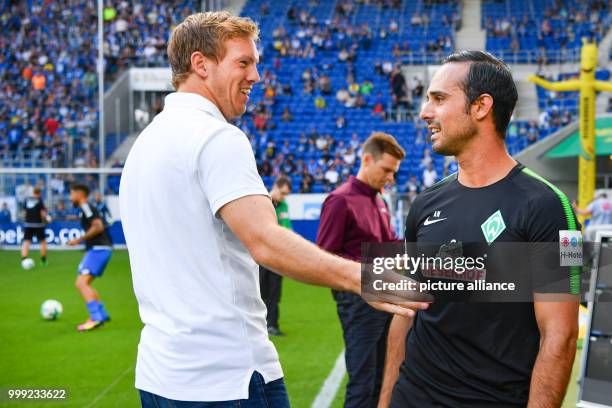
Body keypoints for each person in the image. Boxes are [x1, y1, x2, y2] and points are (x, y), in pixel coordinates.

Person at [119, 12, 425, 408]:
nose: (256, 76)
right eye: (243, 62)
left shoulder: (144, 145)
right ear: (201, 64)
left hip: (161, 377)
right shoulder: (215, 137)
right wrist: (365, 277)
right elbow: (265, 241)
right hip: (227, 377)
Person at [379, 51, 580, 408]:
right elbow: (404, 313)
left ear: (481, 106)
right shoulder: (424, 204)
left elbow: (560, 337)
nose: (425, 113)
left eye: (439, 99)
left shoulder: (553, 208)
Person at [317, 132, 405, 408]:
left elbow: (389, 244)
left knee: (384, 377)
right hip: (357, 299)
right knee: (363, 382)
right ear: (367, 159)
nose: (390, 177)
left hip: (385, 293)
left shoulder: (380, 201)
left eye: (394, 172)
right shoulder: (339, 200)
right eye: (386, 170)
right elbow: (324, 257)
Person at [67, 184, 113, 332]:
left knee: (81, 283)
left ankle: (95, 317)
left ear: (79, 194)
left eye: (72, 194)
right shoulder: (85, 208)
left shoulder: (86, 207)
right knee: (84, 283)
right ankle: (102, 314)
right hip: (99, 249)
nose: (70, 197)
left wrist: (79, 240)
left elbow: (98, 226)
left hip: (98, 250)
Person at [259, 176, 292, 336]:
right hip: (261, 256)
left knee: (274, 292)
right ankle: (259, 325)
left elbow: (287, 229)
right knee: (259, 292)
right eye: (282, 193)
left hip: (278, 257)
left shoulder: (283, 205)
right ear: (276, 186)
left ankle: (272, 325)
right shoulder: (261, 202)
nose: (283, 197)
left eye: (286, 194)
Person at [21, 187, 49, 266]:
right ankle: (43, 260)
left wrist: (26, 220)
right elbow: (43, 213)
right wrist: (46, 220)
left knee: (26, 242)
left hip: (28, 224)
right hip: (38, 224)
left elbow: (23, 213)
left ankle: (24, 259)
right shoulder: (39, 200)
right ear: (39, 193)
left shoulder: (27, 200)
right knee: (42, 242)